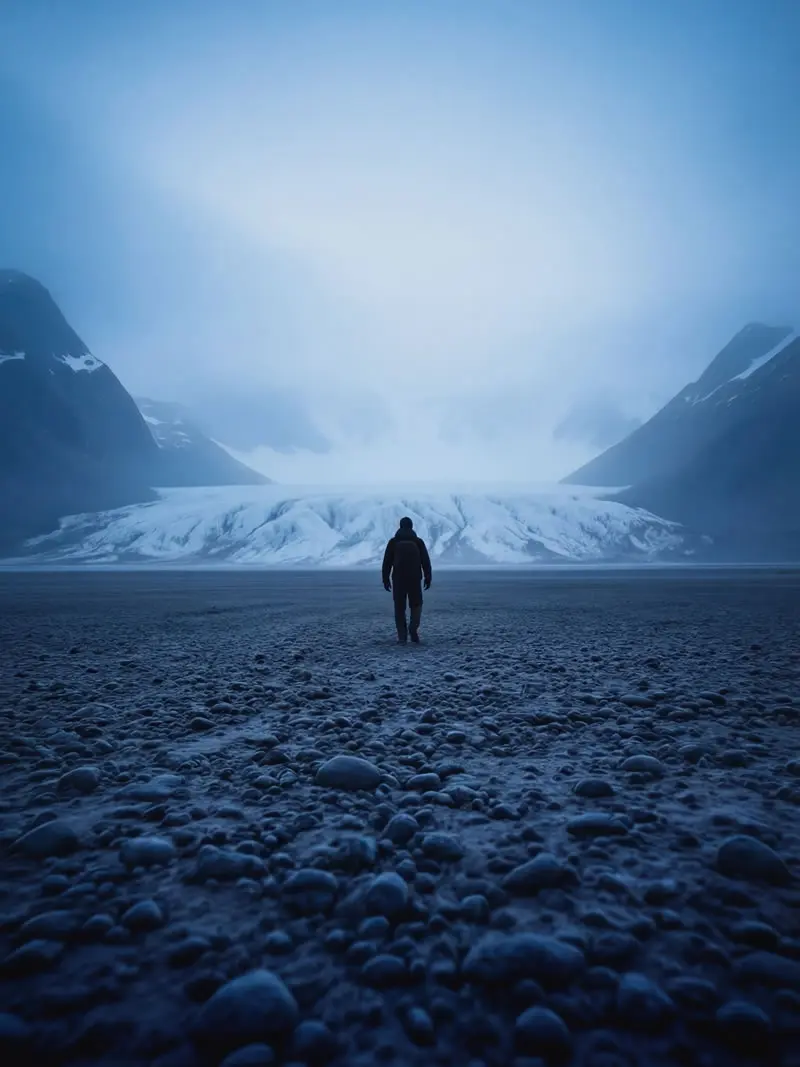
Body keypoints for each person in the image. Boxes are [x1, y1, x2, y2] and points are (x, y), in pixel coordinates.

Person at [381, 516, 432, 643]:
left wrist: (385, 579)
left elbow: (386, 562)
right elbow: (425, 561)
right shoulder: (418, 542)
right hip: (415, 579)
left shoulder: (393, 542)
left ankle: (402, 635)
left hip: (398, 579)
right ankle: (413, 629)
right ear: (411, 526)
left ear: (400, 526)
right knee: (416, 604)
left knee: (399, 607)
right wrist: (428, 577)